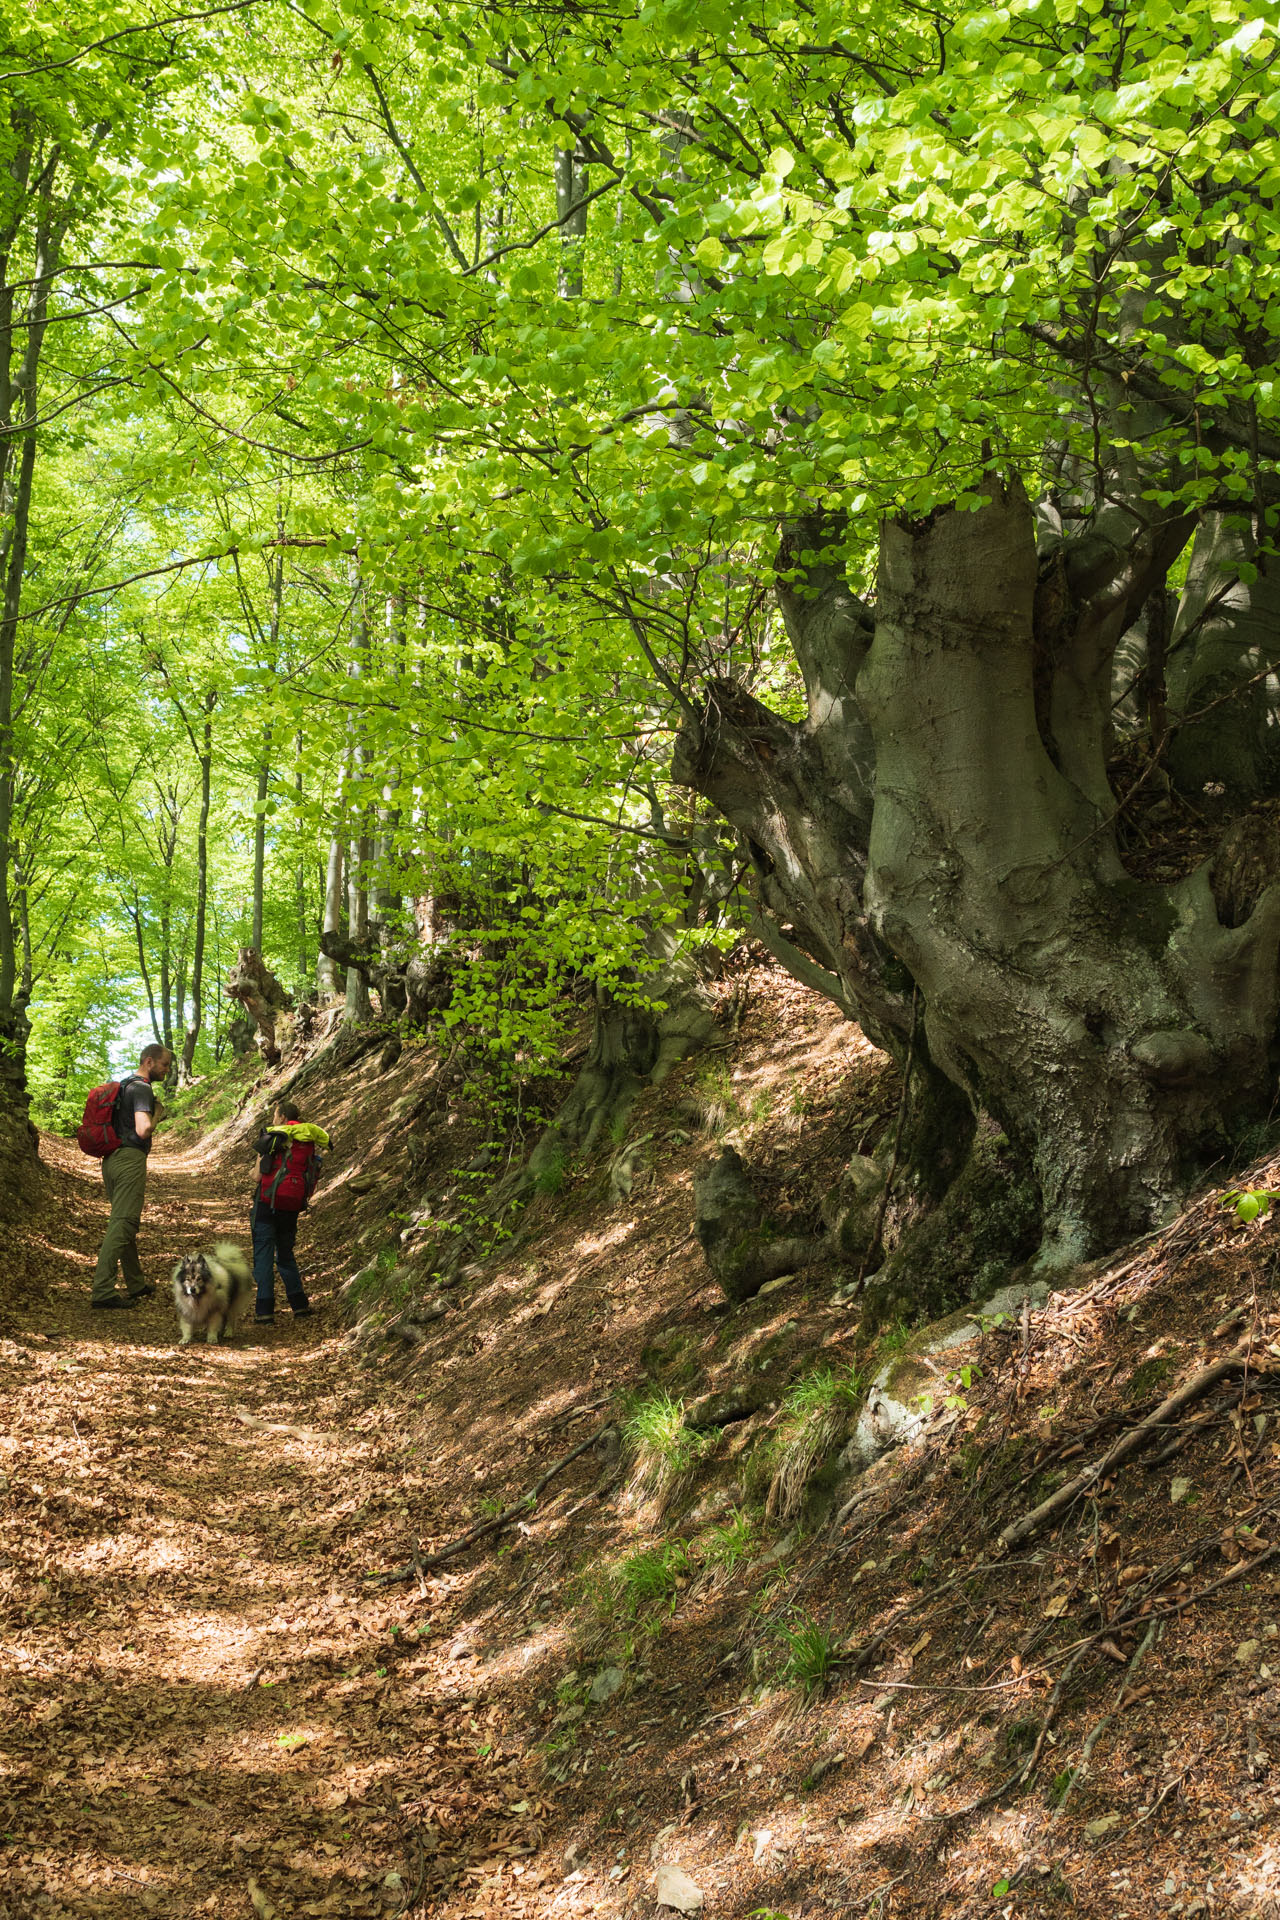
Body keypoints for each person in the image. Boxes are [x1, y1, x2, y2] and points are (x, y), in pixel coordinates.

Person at [91, 1042, 173, 1309]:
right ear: (149, 1062)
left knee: (121, 1220)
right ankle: (103, 1290)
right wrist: (157, 1113)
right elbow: (143, 1129)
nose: (167, 1070)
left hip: (112, 1160)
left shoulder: (124, 1085)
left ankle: (135, 1283)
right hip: (129, 1159)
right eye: (165, 1065)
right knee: (124, 1223)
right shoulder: (141, 1088)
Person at [251, 1098, 329, 1324]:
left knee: (263, 1256)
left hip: (266, 1205)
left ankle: (264, 1311)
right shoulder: (308, 1141)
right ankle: (300, 1305)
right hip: (292, 1207)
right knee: (285, 1255)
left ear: (283, 1117)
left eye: (276, 1115)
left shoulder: (272, 1136)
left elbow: (257, 1176)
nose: (273, 1119)